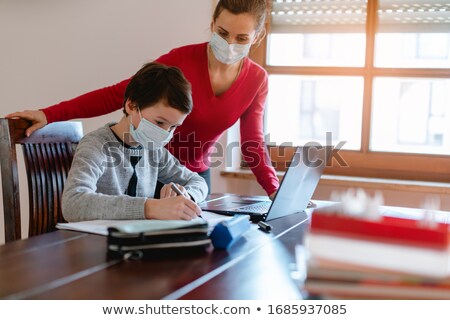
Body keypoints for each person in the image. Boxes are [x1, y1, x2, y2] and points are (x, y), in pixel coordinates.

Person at [6, 0, 279, 198]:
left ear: (258, 36)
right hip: (150, 167)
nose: (229, 43)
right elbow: (120, 94)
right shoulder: (180, 61)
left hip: (193, 179)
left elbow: (252, 142)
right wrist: (49, 114)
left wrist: (274, 192)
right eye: (222, 33)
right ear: (211, 26)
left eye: (241, 37)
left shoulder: (257, 80)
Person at [62, 62, 208, 222]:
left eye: (173, 126)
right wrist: (150, 207)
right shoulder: (96, 145)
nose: (165, 133)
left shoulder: (153, 151)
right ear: (131, 105)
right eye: (159, 123)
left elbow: (198, 182)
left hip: (138, 240)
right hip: (97, 242)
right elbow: (73, 203)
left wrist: (187, 195)